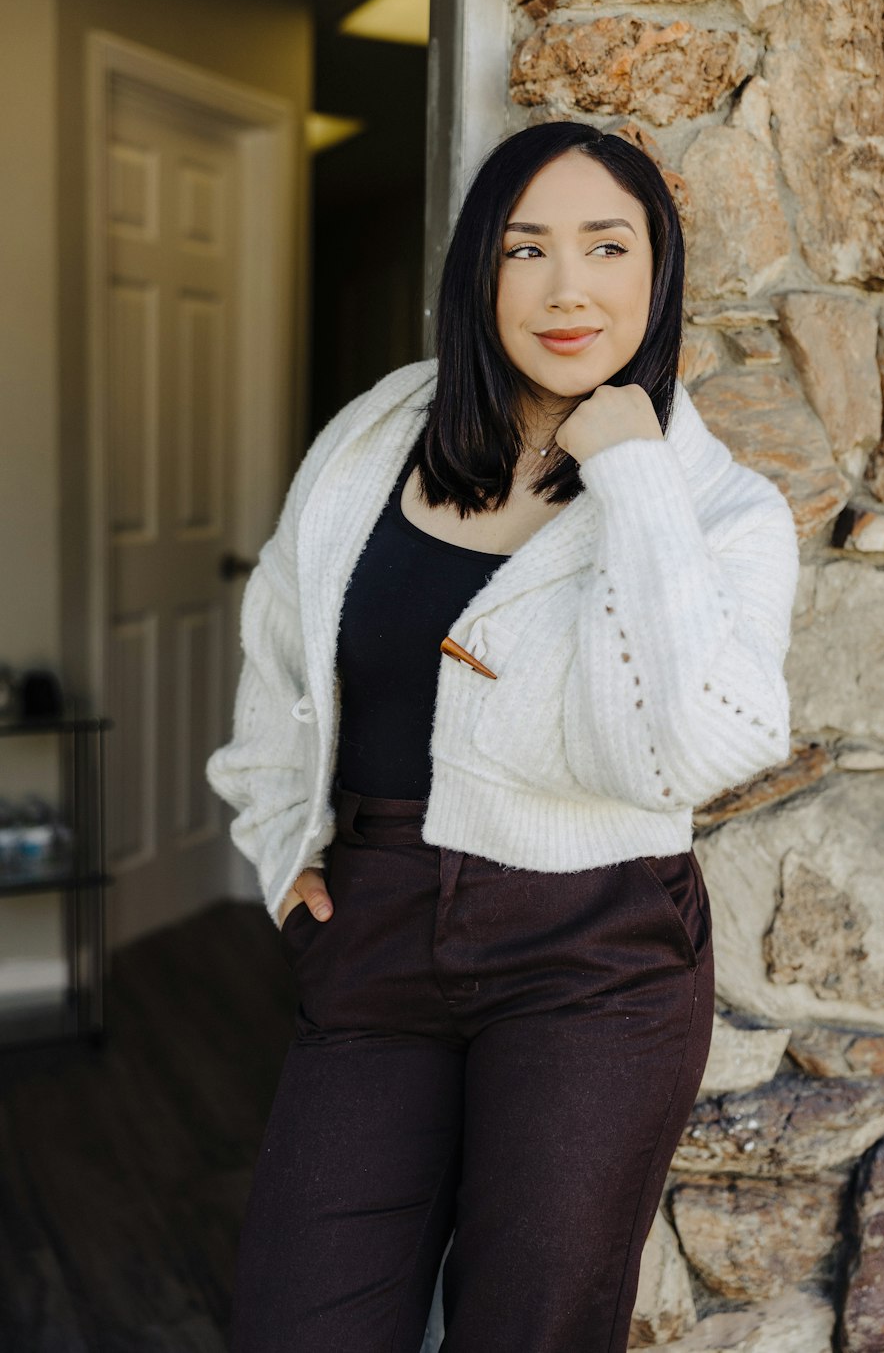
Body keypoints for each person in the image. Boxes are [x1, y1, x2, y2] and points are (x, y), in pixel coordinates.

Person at [206, 120, 799, 1353]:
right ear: (478, 269)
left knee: (529, 1330)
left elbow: (700, 744)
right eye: (526, 248)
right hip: (372, 925)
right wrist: (280, 849)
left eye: (605, 246)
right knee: (295, 1318)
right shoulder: (377, 437)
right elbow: (279, 652)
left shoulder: (719, 510)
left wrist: (632, 474)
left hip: (595, 957)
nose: (567, 287)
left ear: (657, 274)